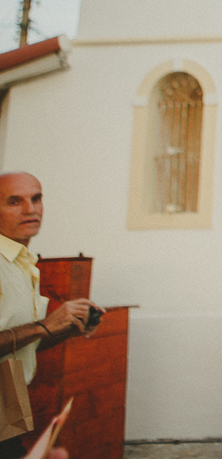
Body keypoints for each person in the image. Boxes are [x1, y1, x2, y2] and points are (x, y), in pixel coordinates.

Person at [0, 173, 101, 459]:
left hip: (10, 390)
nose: (30, 209)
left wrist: (67, 328)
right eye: (14, 201)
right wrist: (44, 325)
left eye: (36, 198)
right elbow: (34, 330)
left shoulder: (21, 261)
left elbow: (21, 342)